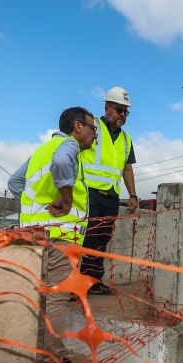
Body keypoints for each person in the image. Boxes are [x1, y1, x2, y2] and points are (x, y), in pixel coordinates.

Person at [7, 107, 96, 363]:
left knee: (38, 295)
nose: (94, 135)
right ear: (78, 126)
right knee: (56, 297)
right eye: (92, 128)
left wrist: (39, 208)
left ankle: (33, 355)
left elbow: (15, 182)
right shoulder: (67, 145)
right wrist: (66, 201)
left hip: (33, 234)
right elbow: (61, 164)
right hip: (59, 234)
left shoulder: (42, 150)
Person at [77, 86, 139, 295]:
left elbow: (127, 168)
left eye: (126, 112)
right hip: (88, 193)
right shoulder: (90, 125)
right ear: (107, 107)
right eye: (119, 110)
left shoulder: (126, 139)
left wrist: (132, 195)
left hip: (111, 197)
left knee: (101, 240)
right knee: (84, 239)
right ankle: (74, 284)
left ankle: (93, 282)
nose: (122, 115)